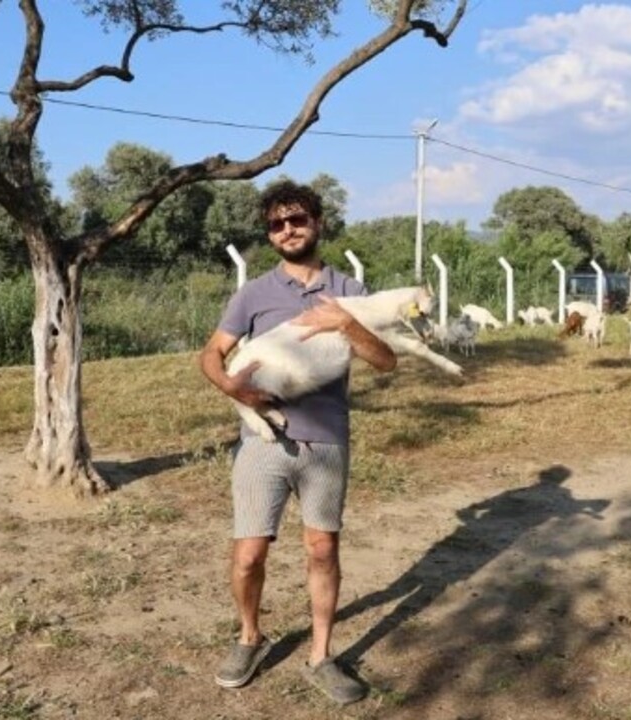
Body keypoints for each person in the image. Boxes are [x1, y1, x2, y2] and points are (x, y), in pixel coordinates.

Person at [198, 180, 397, 705]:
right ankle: (249, 638)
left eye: (297, 219)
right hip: (262, 444)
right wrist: (233, 388)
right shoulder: (254, 294)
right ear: (269, 233)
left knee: (322, 550)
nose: (288, 230)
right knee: (248, 555)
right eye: (277, 224)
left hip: (327, 441)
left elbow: (386, 361)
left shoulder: (350, 290)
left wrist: (347, 324)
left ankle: (321, 655)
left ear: (317, 223)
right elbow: (210, 355)